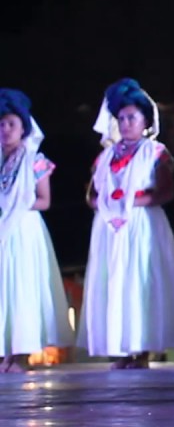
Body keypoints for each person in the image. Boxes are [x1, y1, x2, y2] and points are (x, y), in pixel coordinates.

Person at [80, 78, 174, 369]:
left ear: (145, 120)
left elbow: (166, 193)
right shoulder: (106, 156)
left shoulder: (156, 152)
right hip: (110, 227)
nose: (125, 124)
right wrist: (108, 204)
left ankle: (142, 349)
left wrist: (129, 202)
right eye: (121, 118)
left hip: (142, 226)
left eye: (132, 117)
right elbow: (91, 195)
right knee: (114, 282)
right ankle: (120, 349)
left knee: (140, 282)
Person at [0, 89, 73, 373]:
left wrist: (17, 203)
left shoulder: (34, 160)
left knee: (21, 288)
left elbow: (44, 200)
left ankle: (18, 355)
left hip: (24, 232)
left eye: (11, 124)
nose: (5, 130)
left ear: (23, 127)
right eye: (1, 125)